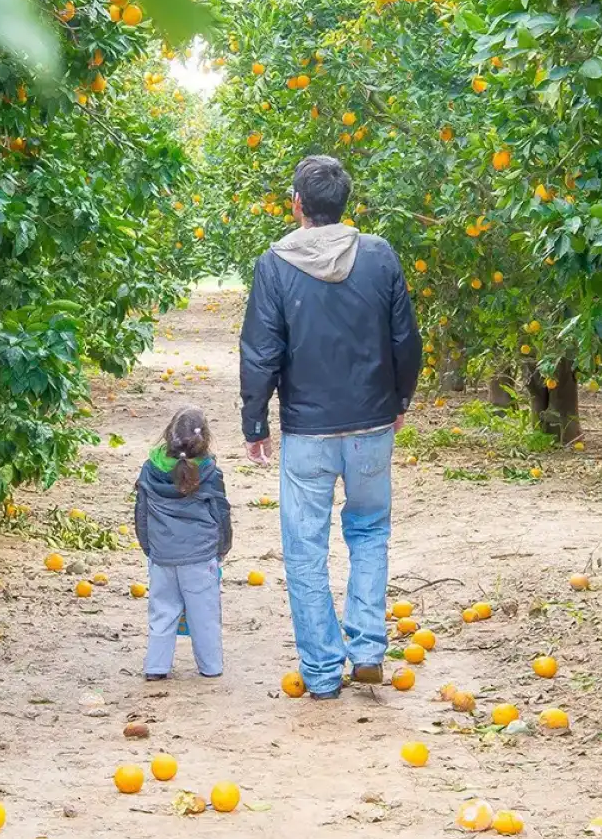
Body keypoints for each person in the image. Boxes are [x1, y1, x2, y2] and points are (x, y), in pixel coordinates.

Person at [239, 155, 422, 699]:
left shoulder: (275, 265)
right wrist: (401, 397)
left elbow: (260, 351)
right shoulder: (379, 255)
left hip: (307, 433)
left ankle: (321, 671)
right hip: (371, 423)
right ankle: (366, 650)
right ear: (345, 203)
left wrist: (256, 422)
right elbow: (405, 340)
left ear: (298, 205)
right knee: (369, 532)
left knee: (304, 547)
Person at [133, 406, 232, 681]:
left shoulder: (149, 469)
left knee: (162, 612)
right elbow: (221, 513)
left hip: (162, 555)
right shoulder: (210, 472)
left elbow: (140, 512)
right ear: (205, 440)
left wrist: (149, 548)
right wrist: (222, 547)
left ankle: (156, 668)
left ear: (168, 436)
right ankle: (210, 667)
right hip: (200, 557)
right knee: (205, 615)